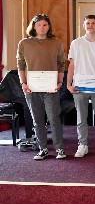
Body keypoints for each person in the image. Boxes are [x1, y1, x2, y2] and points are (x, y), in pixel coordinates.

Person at [17, 14, 66, 160]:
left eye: (45, 25)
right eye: (39, 25)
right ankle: (42, 148)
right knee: (37, 119)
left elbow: (61, 64)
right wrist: (23, 83)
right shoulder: (24, 43)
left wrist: (59, 82)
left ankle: (59, 149)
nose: (42, 27)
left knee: (53, 118)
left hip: (51, 87)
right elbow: (21, 64)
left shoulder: (56, 43)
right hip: (32, 88)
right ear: (33, 26)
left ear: (49, 26)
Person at [66, 15, 95, 158]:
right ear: (84, 25)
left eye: (93, 23)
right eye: (88, 23)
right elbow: (71, 65)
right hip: (79, 87)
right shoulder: (76, 43)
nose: (90, 25)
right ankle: (82, 145)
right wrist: (69, 84)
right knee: (81, 118)